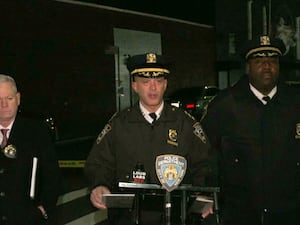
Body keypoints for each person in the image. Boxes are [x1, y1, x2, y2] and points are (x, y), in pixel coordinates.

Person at [84, 53, 213, 225]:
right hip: (128, 217)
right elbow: (99, 163)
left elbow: (206, 163)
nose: (153, 88)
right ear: (134, 86)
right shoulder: (119, 124)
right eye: (145, 82)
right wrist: (99, 185)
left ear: (165, 84)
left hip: (175, 216)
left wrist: (204, 196)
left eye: (158, 81)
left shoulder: (185, 124)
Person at [201, 35, 300, 225]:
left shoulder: (295, 103)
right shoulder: (226, 105)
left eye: (272, 60)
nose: (267, 66)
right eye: (259, 61)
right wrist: (207, 196)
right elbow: (203, 151)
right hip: (240, 210)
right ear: (247, 67)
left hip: (289, 210)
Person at [0, 74, 61, 225]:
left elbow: (52, 176)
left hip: (26, 219)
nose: (4, 105)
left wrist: (42, 209)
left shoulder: (36, 132)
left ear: (18, 99)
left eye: (9, 98)